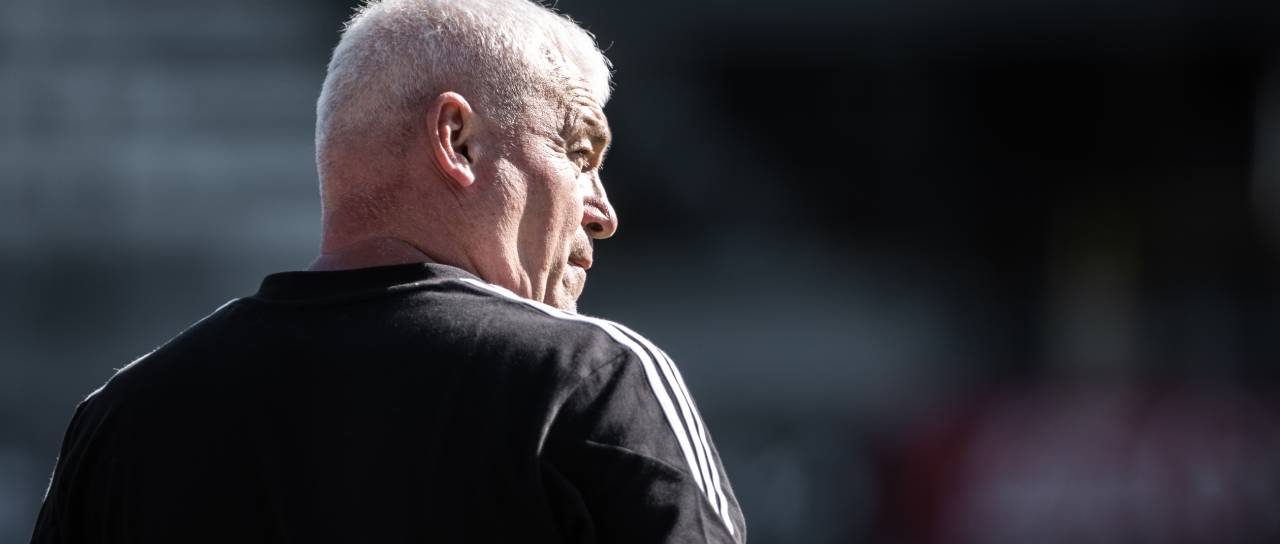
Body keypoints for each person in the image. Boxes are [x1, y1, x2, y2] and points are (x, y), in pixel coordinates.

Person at [30, 0, 746, 542]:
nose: (603, 212)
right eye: (579, 154)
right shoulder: (589, 381)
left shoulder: (122, 420)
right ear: (456, 141)